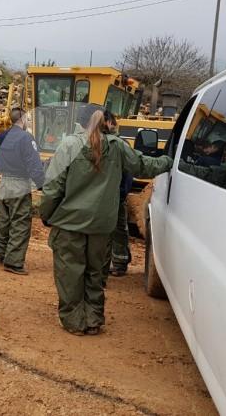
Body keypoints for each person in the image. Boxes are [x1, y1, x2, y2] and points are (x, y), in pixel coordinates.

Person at [40, 104, 173, 336]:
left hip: (70, 223)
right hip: (102, 225)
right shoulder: (117, 146)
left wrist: (47, 215)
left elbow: (53, 186)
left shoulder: (69, 145)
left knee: (70, 272)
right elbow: (144, 165)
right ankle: (93, 319)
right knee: (95, 273)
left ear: (80, 122)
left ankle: (74, 321)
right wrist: (171, 161)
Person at [0, 107, 45, 275]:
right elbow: (34, 165)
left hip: (4, 182)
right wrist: (41, 184)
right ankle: (14, 262)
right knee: (20, 223)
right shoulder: (26, 138)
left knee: (4, 220)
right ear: (22, 120)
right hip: (19, 184)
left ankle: (1, 254)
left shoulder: (2, 136)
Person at [100, 110, 134, 285]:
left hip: (115, 197)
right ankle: (118, 261)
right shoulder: (106, 142)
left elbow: (128, 173)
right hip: (109, 196)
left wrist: (121, 194)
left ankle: (120, 262)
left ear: (110, 123)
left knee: (118, 230)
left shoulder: (119, 145)